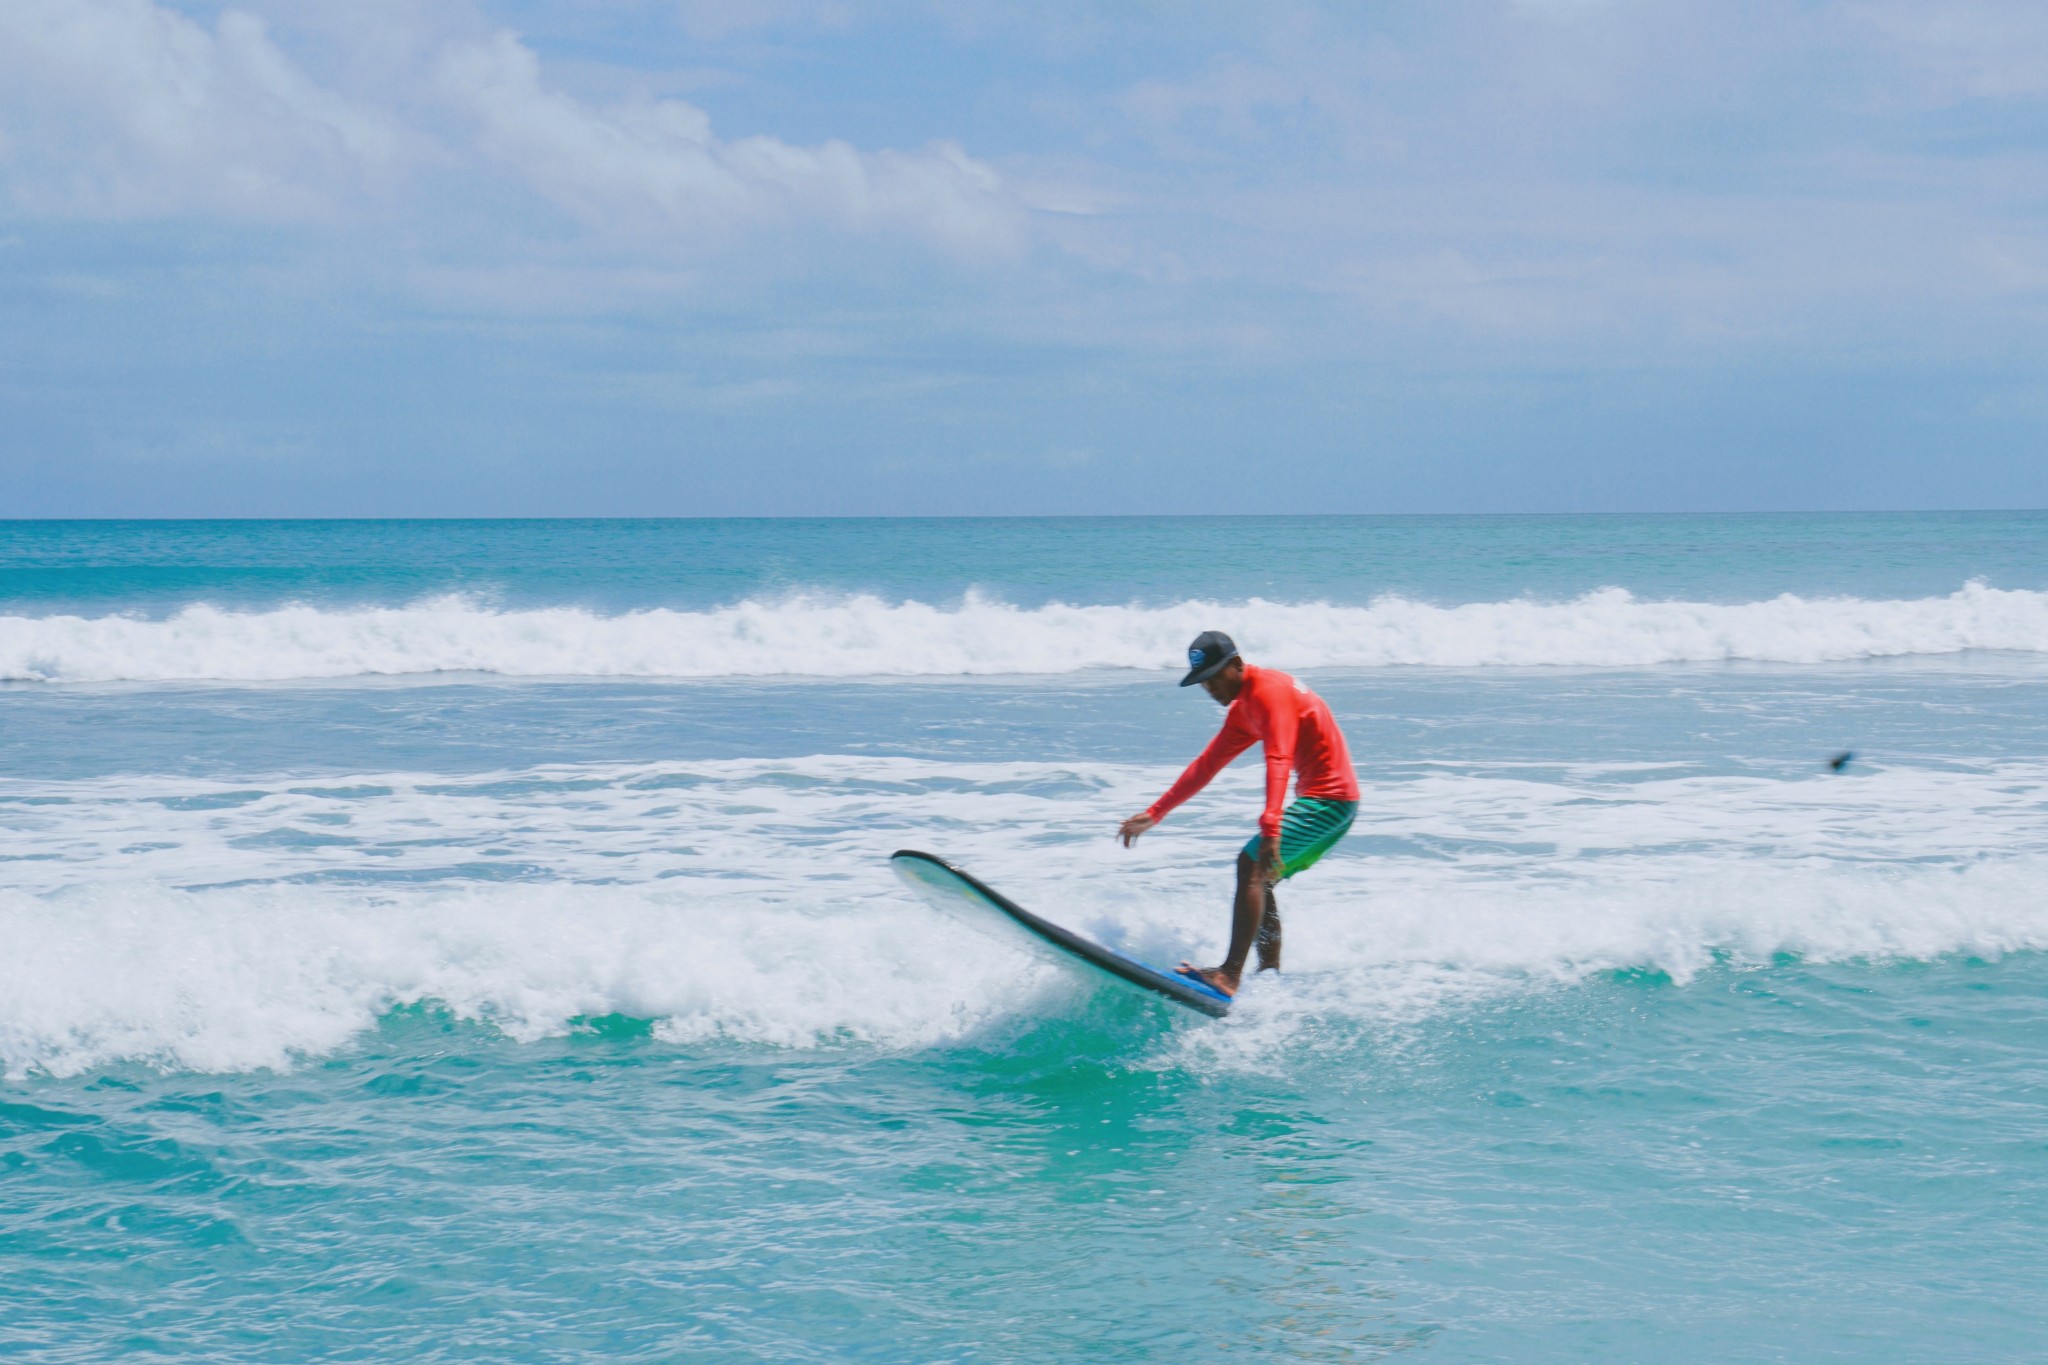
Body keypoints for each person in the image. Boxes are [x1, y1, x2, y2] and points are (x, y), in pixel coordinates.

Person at [1117, 630, 1359, 997]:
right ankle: (1268, 979)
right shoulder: (1245, 708)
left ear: (1237, 665)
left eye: (1215, 677)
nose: (1210, 688)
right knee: (1260, 878)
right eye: (1203, 682)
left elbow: (1278, 758)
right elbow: (1207, 765)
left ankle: (1230, 975)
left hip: (1330, 801)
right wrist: (1155, 813)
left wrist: (1272, 826)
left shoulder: (1269, 693)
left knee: (1250, 866)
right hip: (1327, 802)